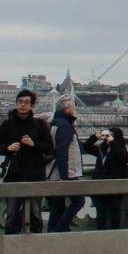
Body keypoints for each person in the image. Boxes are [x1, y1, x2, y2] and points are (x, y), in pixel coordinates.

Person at [0, 90, 53, 233]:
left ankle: (36, 244)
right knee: (11, 214)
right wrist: (8, 147)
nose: (23, 105)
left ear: (31, 106)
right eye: (20, 102)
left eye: (26, 102)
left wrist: (34, 144)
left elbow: (49, 148)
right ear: (16, 104)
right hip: (14, 175)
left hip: (35, 175)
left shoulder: (39, 125)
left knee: (36, 213)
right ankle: (11, 245)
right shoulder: (7, 124)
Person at [84, 125, 128, 230]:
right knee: (101, 217)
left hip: (114, 189)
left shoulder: (119, 150)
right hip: (99, 188)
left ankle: (114, 237)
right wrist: (95, 137)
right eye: (107, 136)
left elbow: (123, 157)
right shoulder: (101, 150)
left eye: (110, 136)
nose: (107, 138)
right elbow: (86, 147)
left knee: (115, 216)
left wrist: (112, 142)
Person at [46, 95, 83, 233]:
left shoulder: (55, 123)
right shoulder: (66, 126)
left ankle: (54, 231)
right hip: (67, 173)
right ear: (67, 109)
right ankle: (60, 228)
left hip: (54, 173)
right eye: (73, 107)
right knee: (79, 201)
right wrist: (65, 177)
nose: (75, 110)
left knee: (57, 206)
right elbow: (63, 152)